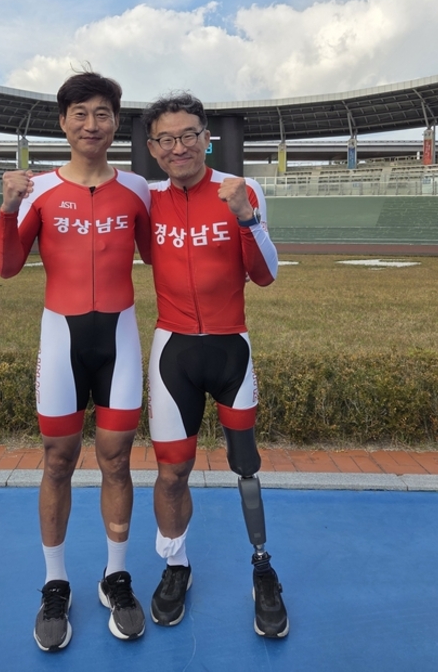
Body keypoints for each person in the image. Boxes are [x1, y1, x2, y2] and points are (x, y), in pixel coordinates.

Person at [0, 71, 151, 652]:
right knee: (58, 461)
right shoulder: (36, 189)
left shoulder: (137, 189)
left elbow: (164, 254)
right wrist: (8, 208)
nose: (91, 123)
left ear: (115, 123)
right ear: (63, 123)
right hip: (60, 339)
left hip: (120, 340)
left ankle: (116, 576)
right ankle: (55, 583)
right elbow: (7, 266)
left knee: (117, 460)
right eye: (80, 113)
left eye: (102, 112)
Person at [141, 91, 289, 639]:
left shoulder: (241, 189)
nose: (178, 147)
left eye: (188, 135)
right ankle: (176, 565)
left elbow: (266, 274)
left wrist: (246, 218)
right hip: (173, 351)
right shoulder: (147, 198)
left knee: (246, 467)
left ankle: (263, 568)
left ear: (207, 139)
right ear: (153, 148)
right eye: (166, 139)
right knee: (171, 471)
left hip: (231, 349)